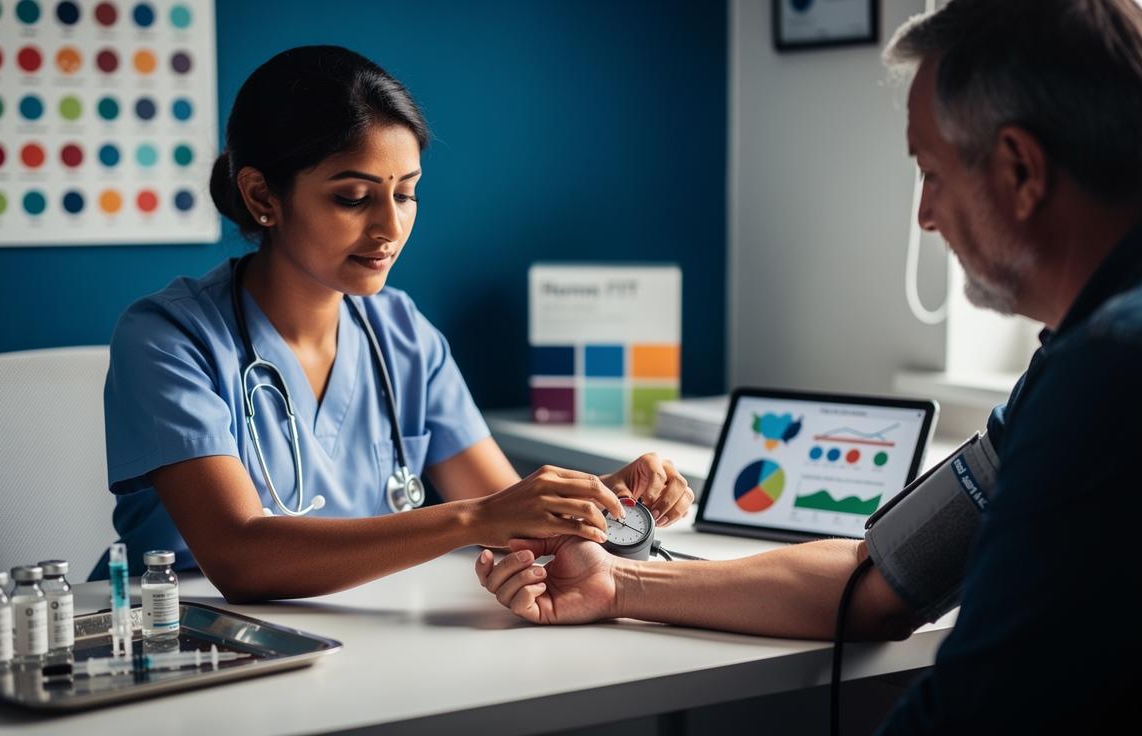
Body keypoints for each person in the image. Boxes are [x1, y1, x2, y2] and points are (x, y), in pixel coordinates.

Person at [476, 1, 1141, 730]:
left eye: (932, 172)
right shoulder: (1067, 368)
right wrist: (619, 582)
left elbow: (975, 710)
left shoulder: (1106, 376)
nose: (925, 215)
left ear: (1019, 168)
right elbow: (878, 580)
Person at [95, 46, 694, 600]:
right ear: (262, 197)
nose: (389, 228)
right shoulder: (168, 339)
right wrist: (478, 518)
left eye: (405, 194)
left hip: (369, 636)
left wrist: (598, 499)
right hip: (187, 640)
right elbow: (240, 558)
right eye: (354, 197)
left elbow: (507, 513)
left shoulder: (402, 334)